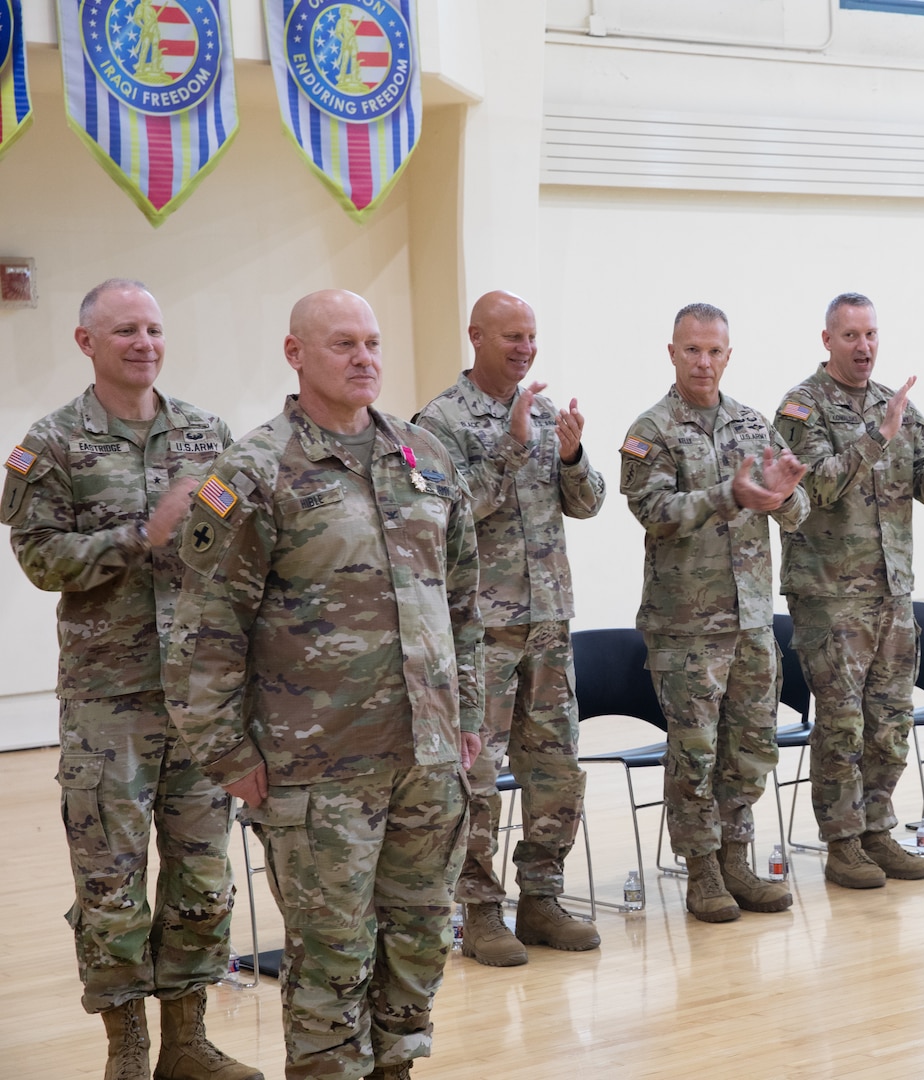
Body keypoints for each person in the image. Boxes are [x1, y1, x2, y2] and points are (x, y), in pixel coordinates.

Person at [164, 290, 483, 1080]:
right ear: (296, 354)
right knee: (332, 958)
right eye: (343, 343)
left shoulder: (426, 456)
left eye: (371, 342)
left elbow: (463, 600)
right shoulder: (252, 471)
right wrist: (225, 752)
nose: (364, 357)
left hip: (428, 757)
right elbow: (206, 627)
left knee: (420, 939)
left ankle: (396, 1068)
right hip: (317, 769)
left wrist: (469, 714)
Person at [2, 280, 257, 1080]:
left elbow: (239, 545)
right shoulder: (52, 446)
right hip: (108, 701)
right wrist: (140, 536)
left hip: (200, 699)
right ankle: (128, 1048)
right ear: (87, 342)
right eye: (124, 331)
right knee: (111, 883)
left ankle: (187, 1040)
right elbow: (41, 560)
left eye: (152, 328)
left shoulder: (207, 435)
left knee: (202, 877)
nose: (143, 343)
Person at [413, 291, 605, 962]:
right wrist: (511, 449)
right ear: (476, 337)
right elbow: (444, 513)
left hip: (548, 618)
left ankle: (542, 900)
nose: (525, 348)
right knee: (477, 775)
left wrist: (573, 457)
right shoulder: (438, 422)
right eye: (511, 337)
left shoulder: (544, 411)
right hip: (481, 628)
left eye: (531, 336)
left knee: (557, 768)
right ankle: (480, 910)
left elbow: (588, 504)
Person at [773, 293, 924, 889]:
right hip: (830, 594)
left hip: (893, 590)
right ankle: (843, 844)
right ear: (827, 340)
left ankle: (877, 829)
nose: (864, 347)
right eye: (851, 336)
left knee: (890, 719)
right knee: (843, 723)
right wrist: (875, 437)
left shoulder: (897, 405)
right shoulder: (802, 408)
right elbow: (813, 489)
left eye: (871, 335)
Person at [621, 302, 809, 923]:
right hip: (687, 626)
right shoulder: (652, 430)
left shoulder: (753, 425)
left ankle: (737, 859)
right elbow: (655, 513)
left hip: (751, 620)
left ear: (729, 355)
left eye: (714, 351)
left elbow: (798, 512)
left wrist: (783, 495)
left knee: (749, 748)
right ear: (672, 353)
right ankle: (701, 870)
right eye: (692, 350)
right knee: (695, 754)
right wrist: (729, 494)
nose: (703, 361)